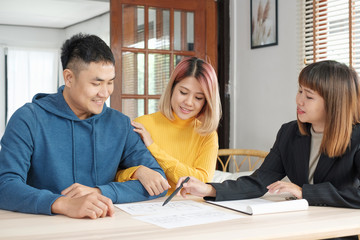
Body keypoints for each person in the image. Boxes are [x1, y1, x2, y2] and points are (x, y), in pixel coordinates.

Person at [0, 33, 166, 219]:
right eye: (96, 83)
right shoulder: (28, 119)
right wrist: (62, 203)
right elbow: (5, 185)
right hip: (42, 227)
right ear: (69, 78)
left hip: (104, 226)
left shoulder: (120, 124)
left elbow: (159, 183)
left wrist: (99, 193)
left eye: (110, 82)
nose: (105, 93)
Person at [177, 60, 360, 210]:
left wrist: (305, 192)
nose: (299, 100)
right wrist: (208, 189)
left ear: (334, 103)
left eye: (309, 96)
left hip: (339, 230)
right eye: (300, 91)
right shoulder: (289, 133)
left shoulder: (357, 138)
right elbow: (259, 181)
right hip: (300, 223)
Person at [116, 57, 221, 195]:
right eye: (183, 92)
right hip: (147, 205)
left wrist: (153, 147)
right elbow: (117, 175)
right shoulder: (143, 125)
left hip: (191, 207)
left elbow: (201, 181)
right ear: (171, 89)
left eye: (198, 98)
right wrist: (138, 172)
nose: (189, 102)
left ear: (206, 102)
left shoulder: (207, 134)